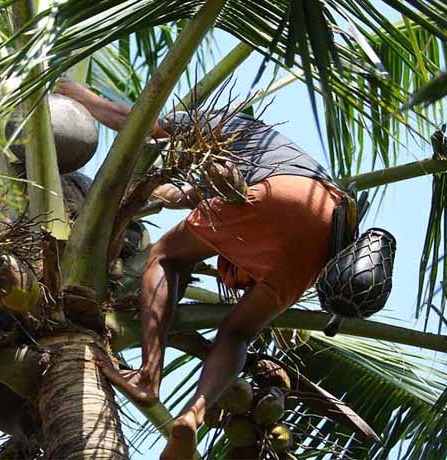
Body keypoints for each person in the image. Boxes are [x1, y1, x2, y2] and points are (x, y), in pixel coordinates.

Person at [55, 79, 343, 459]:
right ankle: (193, 416)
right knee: (237, 333)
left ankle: (148, 375)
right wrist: (143, 190)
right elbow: (186, 197)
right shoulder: (266, 149)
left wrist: (75, 93)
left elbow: (133, 121)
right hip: (326, 227)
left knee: (165, 258)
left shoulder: (214, 121)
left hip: (280, 193)